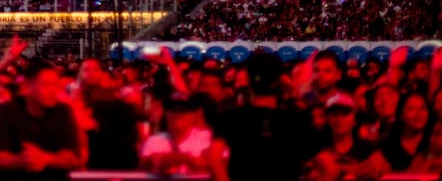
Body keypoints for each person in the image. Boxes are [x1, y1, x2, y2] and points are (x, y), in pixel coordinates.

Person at [213, 52, 323, 181]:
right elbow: (321, 159)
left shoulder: (231, 117)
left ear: (249, 80)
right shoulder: (295, 120)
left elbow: (214, 156)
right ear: (278, 80)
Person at [0, 60, 84, 180]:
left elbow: (72, 157)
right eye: (46, 85)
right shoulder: (8, 111)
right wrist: (21, 160)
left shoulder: (62, 112)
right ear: (27, 86)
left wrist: (45, 158)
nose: (53, 91)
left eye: (56, 85)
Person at [138, 92, 226, 178]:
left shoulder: (208, 138)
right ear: (166, 113)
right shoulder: (154, 140)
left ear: (194, 114)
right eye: (173, 110)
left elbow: (224, 165)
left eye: (183, 111)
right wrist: (185, 159)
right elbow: (146, 165)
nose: (178, 115)